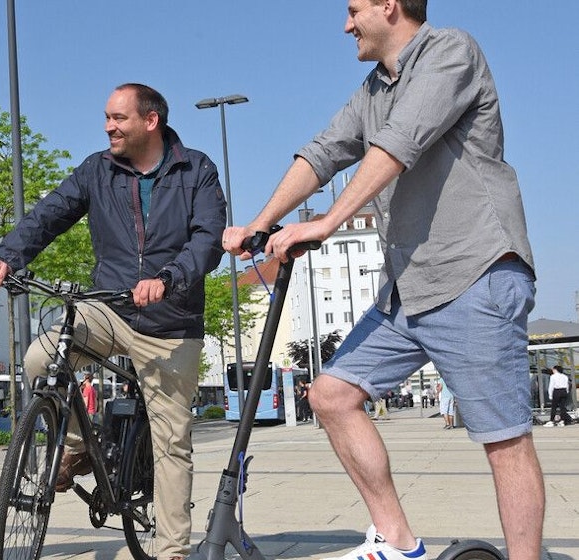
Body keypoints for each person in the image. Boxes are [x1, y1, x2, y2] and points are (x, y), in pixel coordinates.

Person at [221, 2, 543, 559]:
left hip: (473, 272)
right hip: (407, 288)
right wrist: (261, 221)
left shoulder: (449, 52)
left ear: (389, 6)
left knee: (504, 441)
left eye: (353, 9)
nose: (346, 25)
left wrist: (325, 223)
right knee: (330, 395)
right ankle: (398, 540)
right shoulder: (372, 88)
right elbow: (323, 153)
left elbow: (399, 143)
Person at [0, 83, 226, 560]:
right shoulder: (97, 169)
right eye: (107, 118)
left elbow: (207, 240)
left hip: (171, 322)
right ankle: (76, 445)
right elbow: (48, 216)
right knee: (41, 356)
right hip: (109, 307)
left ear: (150, 121)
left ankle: (171, 550)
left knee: (171, 440)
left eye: (119, 118)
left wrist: (169, 278)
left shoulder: (196, 169)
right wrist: (6, 256)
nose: (109, 126)